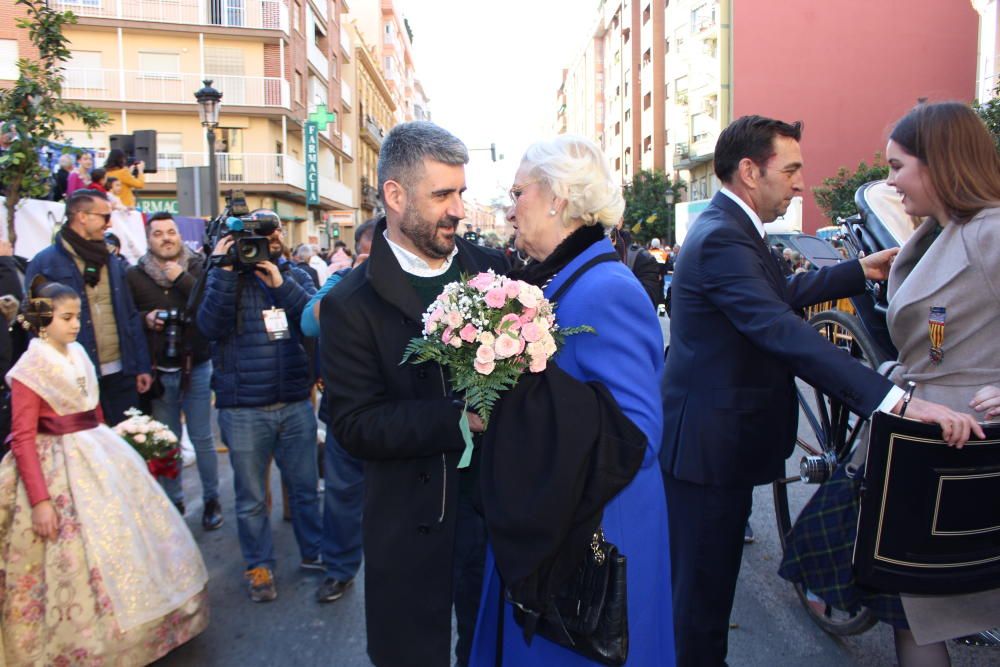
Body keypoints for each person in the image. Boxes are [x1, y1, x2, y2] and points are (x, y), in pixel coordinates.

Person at [659, 114, 983, 666]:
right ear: (748, 172)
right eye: (790, 170)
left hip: (718, 446)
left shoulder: (729, 228)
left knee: (706, 592)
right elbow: (778, 328)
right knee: (700, 603)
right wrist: (894, 402)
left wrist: (859, 271)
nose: (800, 183)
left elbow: (777, 293)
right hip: (708, 453)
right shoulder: (720, 238)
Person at [780, 101, 1000, 665]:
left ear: (940, 164)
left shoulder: (991, 231)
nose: (890, 181)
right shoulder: (939, 232)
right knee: (913, 613)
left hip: (965, 448)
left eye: (898, 166)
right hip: (922, 445)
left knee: (921, 609)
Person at [469, 136, 674, 665]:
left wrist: (517, 393)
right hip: (559, 522)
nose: (510, 210)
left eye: (518, 193)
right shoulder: (562, 278)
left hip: (596, 541)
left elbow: (639, 434)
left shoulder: (607, 287)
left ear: (558, 198)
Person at [320, 121, 509, 667]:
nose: (458, 210)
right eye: (442, 195)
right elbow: (354, 424)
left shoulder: (492, 272)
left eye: (461, 193)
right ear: (396, 196)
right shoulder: (350, 304)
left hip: (494, 514)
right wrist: (459, 419)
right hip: (409, 521)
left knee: (490, 648)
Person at [0, 280, 208, 665]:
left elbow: (91, 407)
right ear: (43, 320)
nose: (75, 324)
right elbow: (23, 437)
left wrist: (115, 444)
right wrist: (41, 499)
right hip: (55, 462)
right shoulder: (31, 368)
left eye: (77, 316)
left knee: (127, 536)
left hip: (94, 451)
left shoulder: (77, 351)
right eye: (66, 318)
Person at [196, 209, 322, 603]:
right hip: (243, 408)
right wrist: (223, 270)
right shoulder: (219, 276)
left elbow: (313, 318)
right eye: (253, 239)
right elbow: (209, 327)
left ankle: (315, 552)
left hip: (293, 402)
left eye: (270, 236)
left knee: (304, 490)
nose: (261, 246)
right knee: (250, 499)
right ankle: (259, 566)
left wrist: (281, 283)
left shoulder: (294, 273)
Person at [127, 212, 223, 528]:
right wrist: (146, 318)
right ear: (148, 238)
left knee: (202, 437)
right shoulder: (135, 275)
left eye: (171, 232)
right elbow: (130, 317)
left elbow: (208, 304)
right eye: (159, 233)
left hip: (196, 363)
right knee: (167, 439)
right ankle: (173, 501)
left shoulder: (198, 266)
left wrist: (181, 277)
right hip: (159, 368)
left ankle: (212, 500)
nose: (166, 238)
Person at [25, 190, 153, 424]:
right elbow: (34, 325)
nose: (110, 223)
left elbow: (130, 315)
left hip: (120, 374)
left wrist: (140, 365)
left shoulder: (112, 261)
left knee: (125, 447)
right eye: (105, 216)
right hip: (73, 376)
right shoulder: (45, 263)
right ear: (82, 216)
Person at [303, 218, 375, 604]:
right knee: (341, 498)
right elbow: (308, 324)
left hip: (391, 413)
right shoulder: (339, 282)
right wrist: (353, 278)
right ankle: (340, 569)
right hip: (344, 414)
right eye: (368, 254)